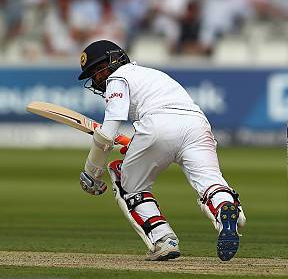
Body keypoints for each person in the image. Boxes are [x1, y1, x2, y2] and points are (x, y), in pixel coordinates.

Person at [77, 40, 245, 261]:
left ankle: (164, 240)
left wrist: (92, 171)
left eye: (101, 69)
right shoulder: (152, 74)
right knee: (210, 182)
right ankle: (226, 209)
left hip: (157, 126)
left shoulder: (118, 78)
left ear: (116, 60)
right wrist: (139, 144)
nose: (99, 77)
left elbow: (107, 133)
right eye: (94, 74)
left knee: (126, 181)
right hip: (197, 124)